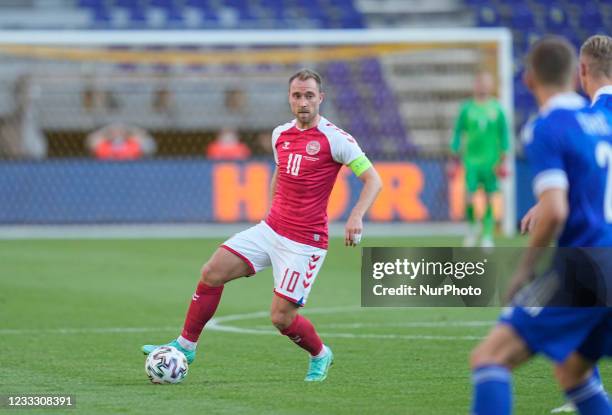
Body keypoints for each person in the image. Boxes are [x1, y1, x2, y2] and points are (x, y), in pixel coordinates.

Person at [142, 69, 382, 382]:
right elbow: (279, 173)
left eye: (309, 95)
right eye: (297, 95)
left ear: (320, 98)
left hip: (304, 243)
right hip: (270, 229)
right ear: (290, 98)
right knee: (211, 272)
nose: (303, 101)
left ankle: (320, 354)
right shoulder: (280, 134)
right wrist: (270, 212)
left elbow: (373, 180)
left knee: (281, 318)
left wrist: (356, 215)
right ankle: (186, 347)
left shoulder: (336, 139)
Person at [470, 36, 612, 415]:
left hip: (584, 266)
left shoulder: (546, 127)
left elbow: (557, 213)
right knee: (572, 373)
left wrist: (525, 269)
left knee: (489, 358)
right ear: (573, 72)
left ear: (529, 78)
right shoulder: (599, 119)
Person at [520, 34, 612, 415]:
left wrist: (545, 208)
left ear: (583, 70)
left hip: (595, 245)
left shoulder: (591, 117)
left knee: (498, 351)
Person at [449, 71, 509, 248]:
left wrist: (504, 155)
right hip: (471, 161)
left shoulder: (497, 109)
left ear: (491, 86)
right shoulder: (467, 108)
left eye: (486, 83)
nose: (483, 86)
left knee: (490, 197)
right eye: (480, 83)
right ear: (475, 85)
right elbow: (458, 132)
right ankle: (472, 229)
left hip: (491, 161)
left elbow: (504, 134)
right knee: (469, 196)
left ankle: (487, 234)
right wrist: (454, 152)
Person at [0, 74, 47, 159]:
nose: (30, 97)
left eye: (33, 92)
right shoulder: (7, 127)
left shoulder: (35, 121)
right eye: (25, 92)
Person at [86, 122, 156, 160]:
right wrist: (106, 131)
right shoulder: (103, 144)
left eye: (121, 131)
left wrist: (129, 130)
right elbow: (90, 142)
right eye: (114, 131)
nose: (117, 133)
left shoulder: (133, 143)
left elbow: (149, 145)